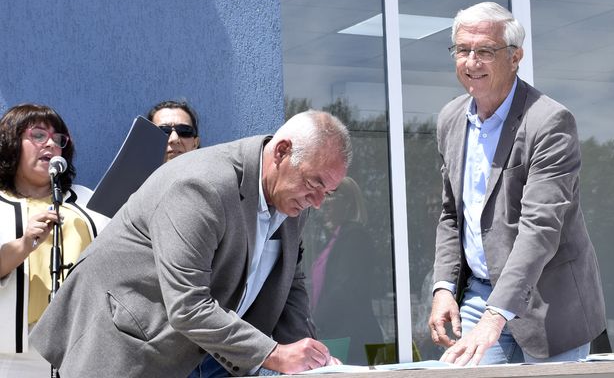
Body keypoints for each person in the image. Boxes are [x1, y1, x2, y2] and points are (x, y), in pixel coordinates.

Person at [30, 110, 352, 377]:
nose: (320, 202)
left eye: (329, 191)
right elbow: (187, 305)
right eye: (315, 184)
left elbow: (289, 285)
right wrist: (274, 353)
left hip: (210, 354)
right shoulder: (201, 185)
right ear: (281, 152)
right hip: (132, 346)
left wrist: (314, 364)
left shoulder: (294, 200)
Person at [428, 2, 606, 366]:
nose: (471, 62)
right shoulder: (450, 119)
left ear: (515, 57)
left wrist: (498, 315)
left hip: (550, 307)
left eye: (485, 51)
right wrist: (444, 287)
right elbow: (451, 214)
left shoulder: (550, 122)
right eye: (463, 50)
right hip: (479, 296)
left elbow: (540, 227)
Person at [0, 104, 108, 371]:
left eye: (58, 139)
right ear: (12, 143)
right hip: (12, 353)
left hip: (80, 345)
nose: (50, 144)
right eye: (38, 135)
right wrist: (24, 244)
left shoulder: (87, 200)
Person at [309, 176, 384, 365]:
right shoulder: (333, 239)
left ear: (349, 204)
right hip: (338, 334)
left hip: (354, 340)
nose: (325, 204)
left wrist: (313, 326)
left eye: (331, 198)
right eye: (324, 197)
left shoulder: (355, 237)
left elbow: (343, 289)